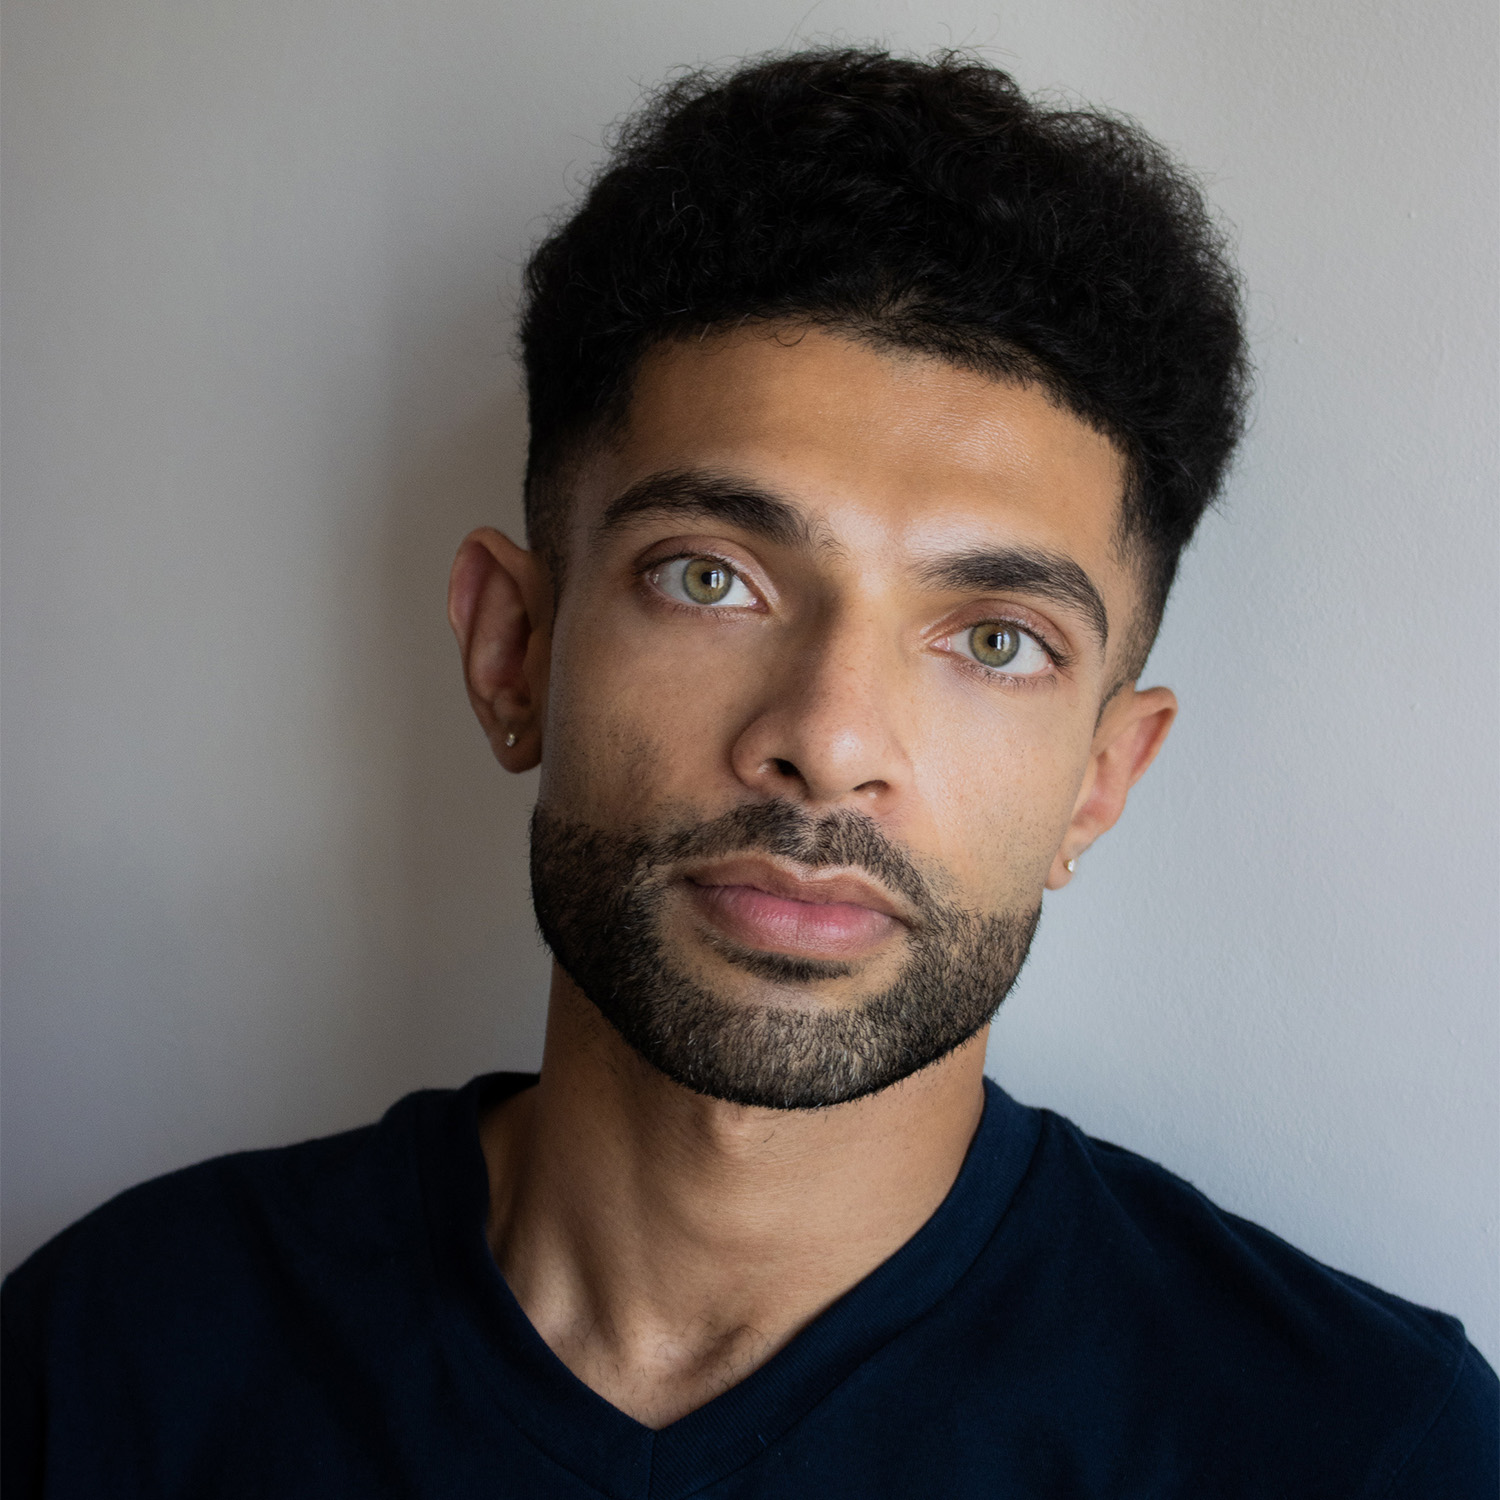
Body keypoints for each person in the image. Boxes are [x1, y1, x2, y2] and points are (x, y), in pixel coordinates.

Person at [3, 47, 1494, 1498]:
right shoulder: (106, 1360)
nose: (830, 741)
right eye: (711, 579)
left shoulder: (1359, 1448)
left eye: (993, 639)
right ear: (516, 650)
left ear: (1101, 781)